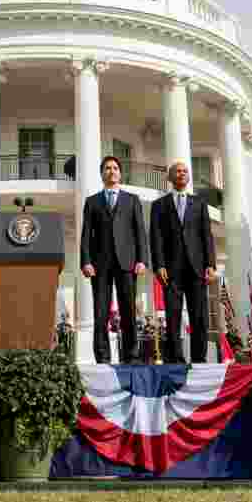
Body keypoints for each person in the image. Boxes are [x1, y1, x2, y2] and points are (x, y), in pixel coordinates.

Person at [79, 155, 148, 364]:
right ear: (102, 174)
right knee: (100, 313)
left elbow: (139, 232)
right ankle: (102, 357)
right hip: (99, 265)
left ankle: (131, 356)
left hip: (127, 263)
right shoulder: (92, 202)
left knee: (128, 311)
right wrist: (86, 261)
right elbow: (86, 235)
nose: (112, 171)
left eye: (115, 168)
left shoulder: (132, 200)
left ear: (120, 173)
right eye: (107, 168)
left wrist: (142, 259)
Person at [149, 161, 217, 364]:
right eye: (177, 171)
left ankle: (199, 358)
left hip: (196, 268)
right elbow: (156, 237)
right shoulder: (159, 205)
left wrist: (210, 265)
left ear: (188, 177)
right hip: (171, 270)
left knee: (199, 316)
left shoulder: (199, 203)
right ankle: (175, 358)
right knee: (173, 317)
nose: (181, 174)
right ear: (170, 177)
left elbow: (207, 235)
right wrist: (159, 264)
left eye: (185, 171)